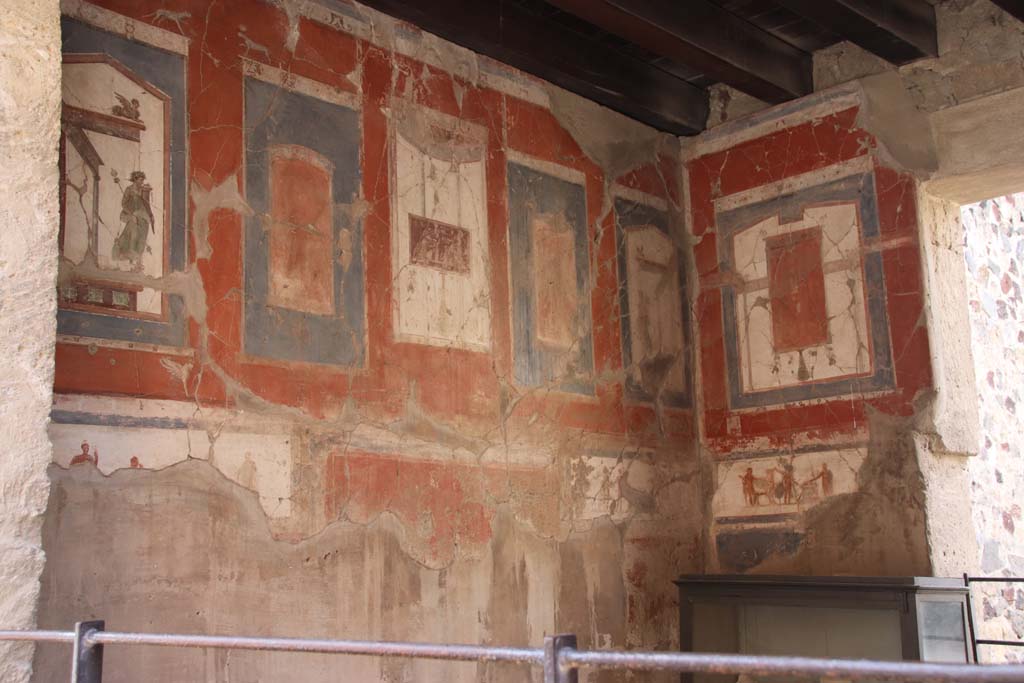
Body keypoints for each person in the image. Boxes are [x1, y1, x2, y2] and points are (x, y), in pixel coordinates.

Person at [112, 171, 154, 270]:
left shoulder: (143, 189)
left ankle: (138, 262)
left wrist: (150, 215)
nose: (142, 182)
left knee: (142, 238)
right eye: (140, 180)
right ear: (135, 179)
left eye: (142, 180)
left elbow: (146, 204)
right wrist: (131, 215)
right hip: (132, 216)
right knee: (133, 236)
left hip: (142, 216)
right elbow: (124, 204)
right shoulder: (129, 189)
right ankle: (130, 260)